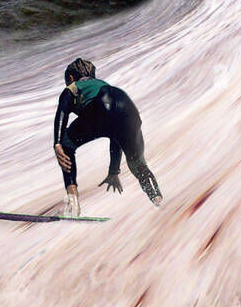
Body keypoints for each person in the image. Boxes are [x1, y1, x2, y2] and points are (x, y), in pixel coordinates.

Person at [52, 58, 162, 218]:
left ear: (70, 78)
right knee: (138, 165)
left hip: (101, 108)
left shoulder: (73, 88)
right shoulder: (104, 85)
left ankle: (73, 206)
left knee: (66, 146)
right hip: (129, 111)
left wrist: (57, 143)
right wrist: (113, 171)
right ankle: (159, 201)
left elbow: (61, 113)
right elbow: (115, 133)